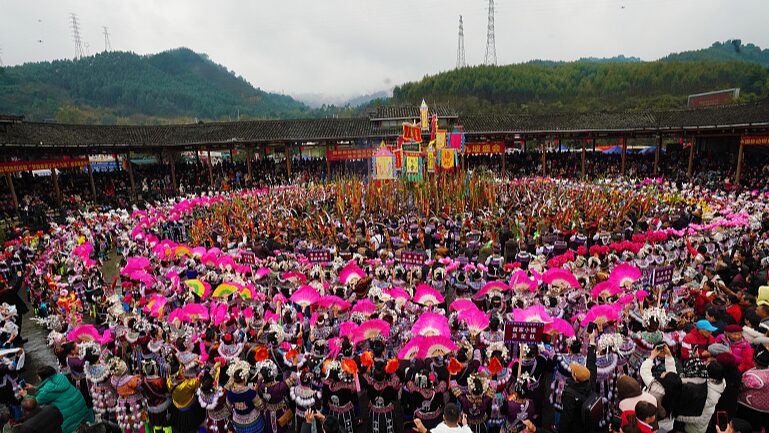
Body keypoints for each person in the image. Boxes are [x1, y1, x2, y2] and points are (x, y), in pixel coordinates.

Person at [20, 366, 93, 433]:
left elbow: (34, 402)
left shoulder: (45, 392)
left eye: (38, 376)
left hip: (69, 419)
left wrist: (25, 395)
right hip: (80, 409)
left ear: (43, 377)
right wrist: (35, 387)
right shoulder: (61, 377)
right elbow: (52, 388)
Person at [558, 330, 597, 433]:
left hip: (574, 426)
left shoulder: (569, 394)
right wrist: (592, 342)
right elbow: (591, 366)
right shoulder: (590, 382)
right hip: (584, 422)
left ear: (574, 376)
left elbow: (566, 418)